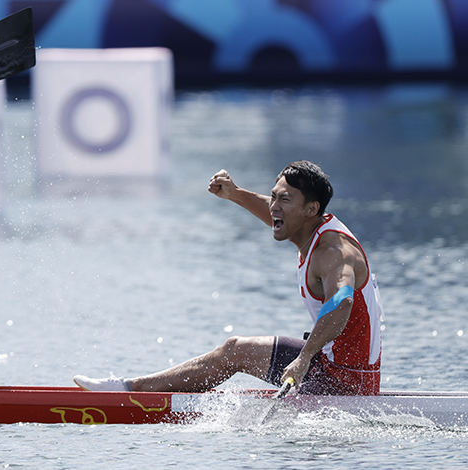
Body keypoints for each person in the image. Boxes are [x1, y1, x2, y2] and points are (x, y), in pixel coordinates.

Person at [74, 161, 383, 396]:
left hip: (346, 382)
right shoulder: (309, 223)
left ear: (311, 209)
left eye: (285, 200)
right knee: (234, 348)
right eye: (273, 196)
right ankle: (131, 388)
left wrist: (302, 360)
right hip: (327, 362)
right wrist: (235, 194)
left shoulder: (332, 252)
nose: (274, 206)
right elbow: (277, 215)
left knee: (236, 351)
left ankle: (130, 392)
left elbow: (342, 302)